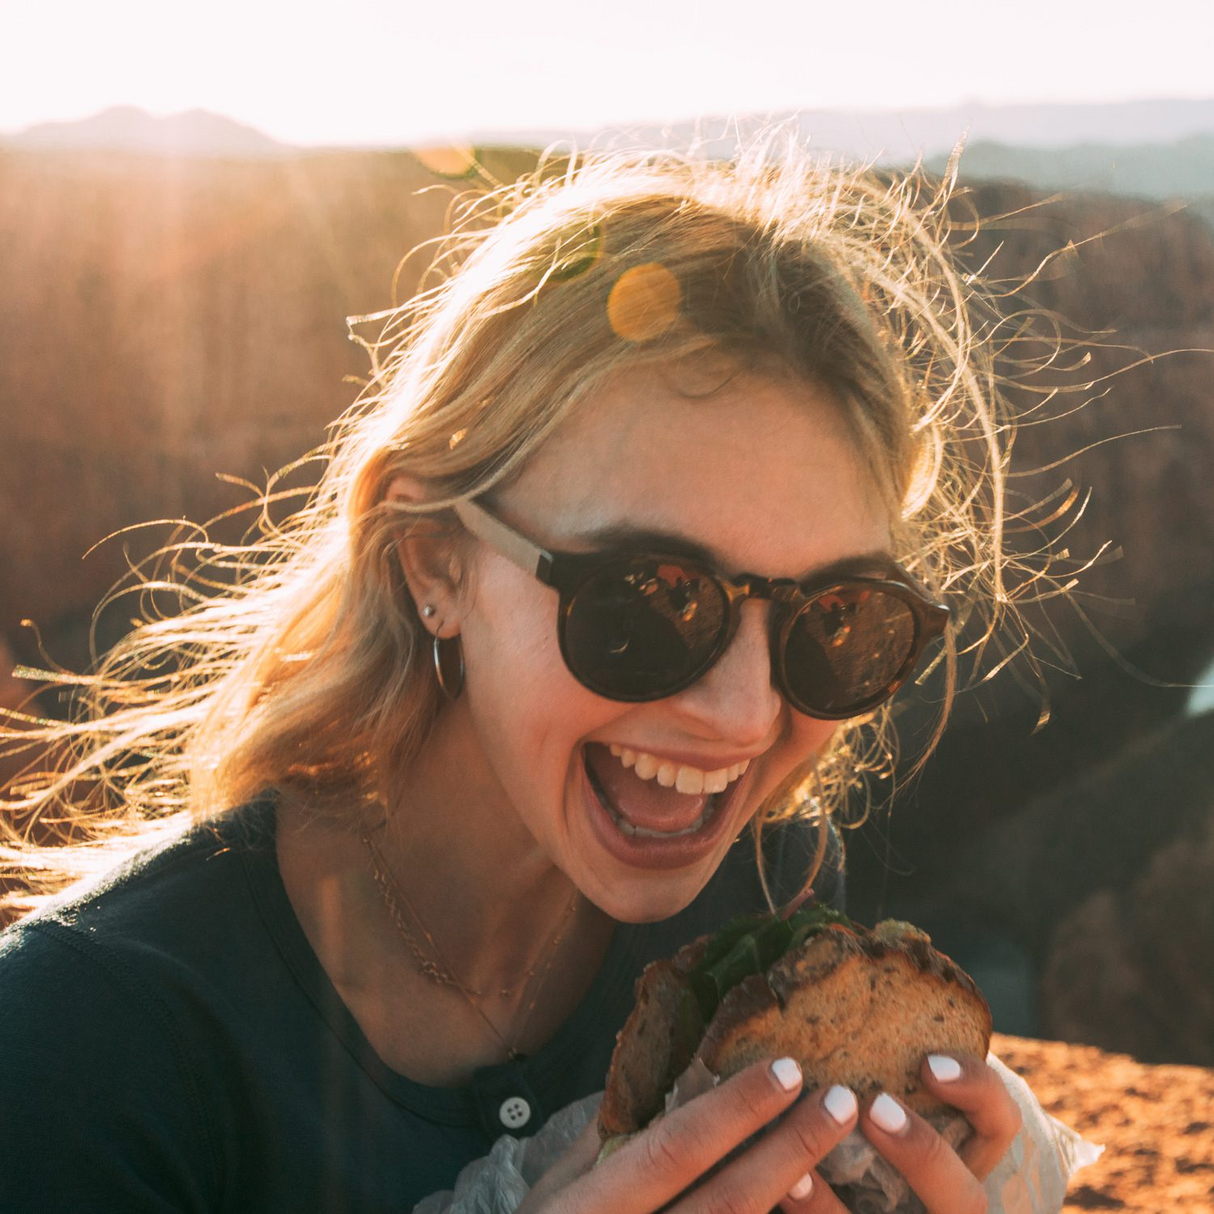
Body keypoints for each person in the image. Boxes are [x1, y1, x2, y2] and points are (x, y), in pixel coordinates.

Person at [0, 138, 1028, 1212]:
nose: (746, 713)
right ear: (432, 557)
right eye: (648, 598)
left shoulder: (767, 915)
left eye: (834, 618)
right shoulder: (86, 1039)